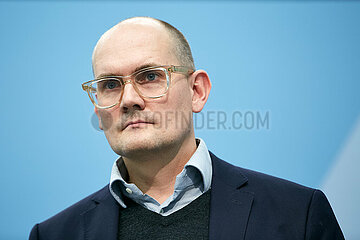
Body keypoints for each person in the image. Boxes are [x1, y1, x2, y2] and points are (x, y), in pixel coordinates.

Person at [29, 17, 344, 240]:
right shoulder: (54, 234)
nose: (128, 100)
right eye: (110, 85)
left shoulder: (297, 214)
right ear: (97, 109)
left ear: (197, 91)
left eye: (150, 76)